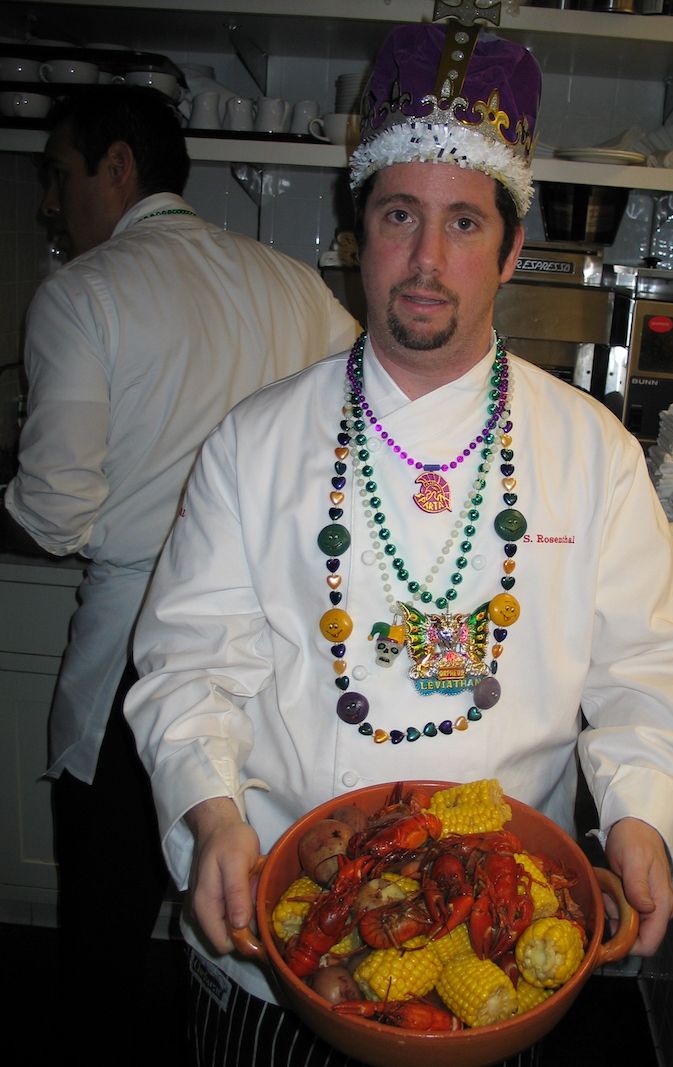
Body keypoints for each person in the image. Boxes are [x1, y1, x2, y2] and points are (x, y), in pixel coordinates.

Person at [125, 19, 673, 1067]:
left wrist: (642, 821)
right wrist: (210, 812)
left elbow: (641, 681)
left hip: (496, 952)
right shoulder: (253, 444)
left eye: (463, 223)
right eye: (399, 215)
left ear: (513, 247)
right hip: (287, 944)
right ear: (358, 232)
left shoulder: (594, 454)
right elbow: (186, 667)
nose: (427, 261)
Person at [0, 84, 359, 1066]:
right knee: (250, 910)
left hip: (133, 656)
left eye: (59, 174)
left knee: (106, 925)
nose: (50, 201)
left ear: (118, 165)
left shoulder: (82, 293)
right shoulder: (299, 289)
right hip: (274, 654)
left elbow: (55, 509)